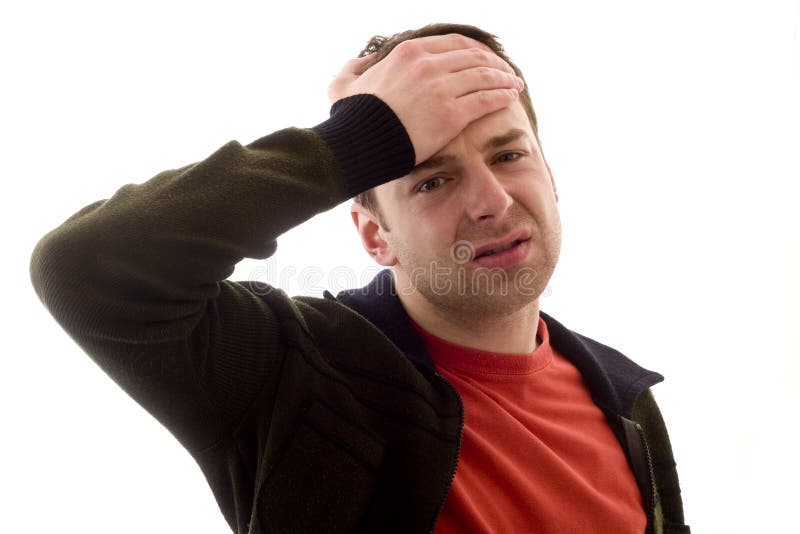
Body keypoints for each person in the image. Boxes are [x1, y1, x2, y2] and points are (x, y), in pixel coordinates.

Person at [30, 22, 689, 534]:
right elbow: (85, 268)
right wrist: (355, 140)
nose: (491, 199)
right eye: (433, 179)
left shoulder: (626, 399)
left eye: (509, 154)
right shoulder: (297, 376)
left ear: (550, 174)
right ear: (377, 236)